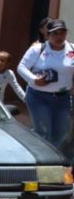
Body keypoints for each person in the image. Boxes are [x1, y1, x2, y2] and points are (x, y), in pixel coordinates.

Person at [17, 19, 74, 152]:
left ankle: (49, 158)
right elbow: (21, 67)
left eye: (62, 33)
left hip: (63, 98)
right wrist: (34, 79)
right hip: (39, 97)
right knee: (43, 132)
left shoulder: (72, 49)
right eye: (55, 34)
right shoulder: (38, 49)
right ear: (47, 35)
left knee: (61, 133)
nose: (59, 37)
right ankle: (40, 160)